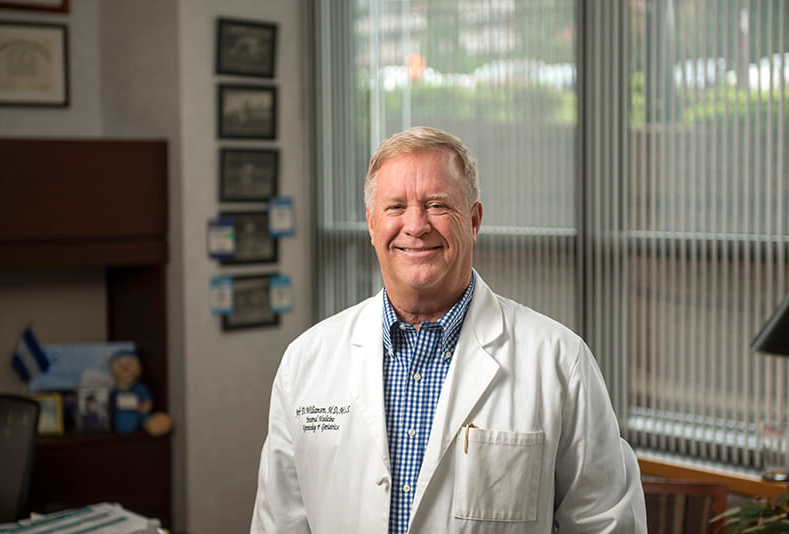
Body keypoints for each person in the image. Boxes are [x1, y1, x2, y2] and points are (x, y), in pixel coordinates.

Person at [251, 127, 646, 533]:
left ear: (474, 221)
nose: (416, 225)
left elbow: (607, 525)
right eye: (395, 207)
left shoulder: (560, 362)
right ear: (372, 224)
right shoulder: (306, 361)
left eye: (437, 205)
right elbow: (278, 522)